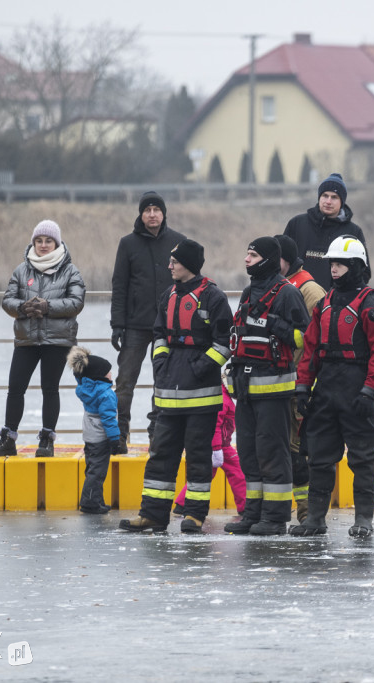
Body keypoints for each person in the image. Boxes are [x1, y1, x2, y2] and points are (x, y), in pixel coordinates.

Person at [119, 239, 232, 534]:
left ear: (189, 265)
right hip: (168, 396)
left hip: (201, 398)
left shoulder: (213, 297)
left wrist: (198, 368)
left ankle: (194, 515)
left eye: (174, 262)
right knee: (161, 458)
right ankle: (152, 515)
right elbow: (159, 334)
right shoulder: (167, 295)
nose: (169, 266)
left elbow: (224, 343)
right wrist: (161, 364)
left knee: (198, 460)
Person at [292, 236, 374, 538]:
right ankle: (315, 518)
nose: (334, 268)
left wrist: (370, 390)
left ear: (355, 266)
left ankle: (363, 519)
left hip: (357, 387)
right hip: (326, 388)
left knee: (363, 456)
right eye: (332, 263)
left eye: (340, 263)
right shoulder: (325, 302)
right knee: (319, 456)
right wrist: (303, 387)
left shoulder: (370, 303)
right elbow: (311, 349)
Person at [223, 237, 309, 536]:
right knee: (249, 452)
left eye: (253, 255)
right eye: (247, 254)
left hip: (274, 390)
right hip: (246, 389)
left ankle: (275, 517)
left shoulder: (287, 294)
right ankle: (253, 513)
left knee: (273, 452)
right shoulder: (248, 293)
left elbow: (305, 338)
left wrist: (275, 325)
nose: (247, 260)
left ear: (269, 260)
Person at [0, 220, 85, 457]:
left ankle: (47, 439)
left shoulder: (70, 270)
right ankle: (8, 438)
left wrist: (47, 306)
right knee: (15, 387)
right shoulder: (21, 270)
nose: (43, 245)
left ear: (56, 243)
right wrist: (23, 307)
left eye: (48, 241)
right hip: (27, 340)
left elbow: (76, 302)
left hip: (58, 340)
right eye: (39, 241)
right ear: (33, 242)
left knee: (50, 388)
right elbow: (7, 300)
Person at [109, 191, 186, 453]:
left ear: (163, 214)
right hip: (134, 325)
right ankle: (119, 435)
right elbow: (119, 286)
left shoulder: (179, 242)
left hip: (169, 326)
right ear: (140, 215)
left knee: (163, 382)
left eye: (156, 210)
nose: (152, 214)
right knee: (125, 381)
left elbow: (188, 285)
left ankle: (159, 434)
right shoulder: (127, 243)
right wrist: (116, 325)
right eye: (147, 210)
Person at [274, 233, 327, 523]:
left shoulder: (310, 291)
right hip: (276, 384)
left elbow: (318, 341)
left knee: (298, 454)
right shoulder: (275, 286)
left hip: (298, 385)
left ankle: (308, 512)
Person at [283, 172, 367, 291]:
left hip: (334, 303)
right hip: (297, 298)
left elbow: (363, 272)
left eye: (334, 197)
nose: (328, 201)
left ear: (342, 201)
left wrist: (340, 295)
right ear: (319, 197)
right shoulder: (296, 224)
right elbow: (281, 263)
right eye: (325, 195)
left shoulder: (353, 232)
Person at [172, 383, 247, 515]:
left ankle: (182, 504)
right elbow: (216, 426)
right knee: (238, 473)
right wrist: (217, 448)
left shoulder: (221, 396)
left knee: (204, 474)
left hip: (216, 445)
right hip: (221, 447)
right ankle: (245, 507)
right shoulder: (224, 400)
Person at [66, 346, 121, 514]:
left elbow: (82, 378)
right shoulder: (106, 394)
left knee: (92, 468)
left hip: (89, 436)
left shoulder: (87, 389)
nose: (111, 375)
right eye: (108, 373)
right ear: (99, 376)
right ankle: (90, 503)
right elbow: (109, 419)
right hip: (101, 438)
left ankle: (96, 500)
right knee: (97, 472)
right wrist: (115, 439)